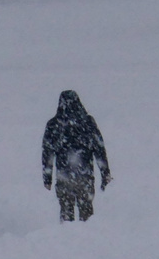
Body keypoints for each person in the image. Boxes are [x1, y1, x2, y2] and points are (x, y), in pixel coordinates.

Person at [42, 90, 111, 222]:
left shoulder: (53, 125)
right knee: (87, 214)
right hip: (85, 176)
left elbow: (47, 154)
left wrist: (47, 178)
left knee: (66, 213)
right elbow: (99, 149)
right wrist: (105, 172)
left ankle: (67, 238)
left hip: (64, 177)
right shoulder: (88, 122)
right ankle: (87, 237)